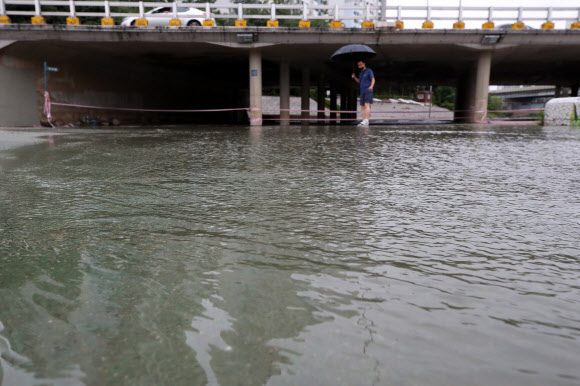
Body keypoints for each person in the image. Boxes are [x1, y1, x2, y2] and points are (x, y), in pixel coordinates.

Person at [351, 60, 375, 127]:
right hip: (362, 91)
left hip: (368, 90)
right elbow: (359, 81)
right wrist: (355, 77)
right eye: (358, 65)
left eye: (361, 64)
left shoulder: (369, 71)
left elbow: (373, 79)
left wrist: (371, 86)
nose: (359, 66)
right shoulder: (361, 73)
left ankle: (366, 120)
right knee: (362, 106)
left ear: (364, 64)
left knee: (366, 104)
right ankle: (363, 120)